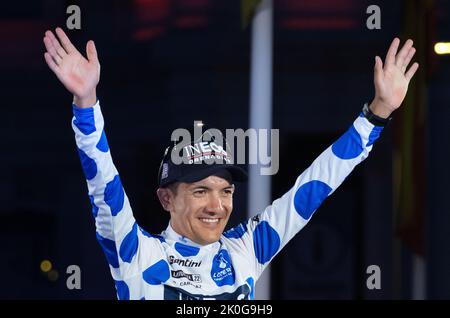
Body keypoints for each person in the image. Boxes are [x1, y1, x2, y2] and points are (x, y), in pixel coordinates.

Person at [43, 27, 418, 300]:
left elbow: (317, 184)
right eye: (201, 190)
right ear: (166, 198)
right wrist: (87, 101)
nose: (217, 205)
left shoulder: (247, 248)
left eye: (225, 191)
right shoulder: (137, 252)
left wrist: (379, 111)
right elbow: (102, 181)